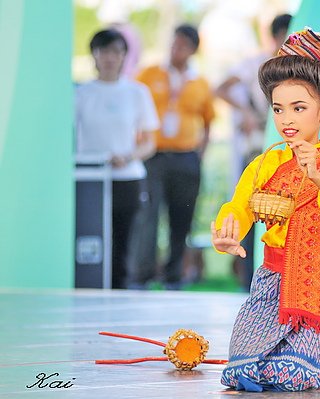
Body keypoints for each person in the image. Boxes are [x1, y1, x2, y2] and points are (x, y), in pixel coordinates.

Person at [212, 28, 320, 392]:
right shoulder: (266, 164)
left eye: (299, 108)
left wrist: (318, 180)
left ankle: (319, 352)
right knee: (238, 373)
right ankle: (312, 356)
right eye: (279, 108)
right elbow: (239, 205)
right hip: (271, 280)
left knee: (291, 377)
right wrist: (227, 232)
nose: (287, 119)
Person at [133, 24, 216, 290]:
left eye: (182, 45)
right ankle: (142, 274)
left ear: (192, 50)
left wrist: (200, 152)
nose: (175, 48)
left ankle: (174, 275)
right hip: (154, 155)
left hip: (186, 157)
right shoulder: (149, 74)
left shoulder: (199, 82)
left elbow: (208, 120)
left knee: (182, 217)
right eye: (174, 42)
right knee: (148, 214)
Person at [75, 29, 159, 289]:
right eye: (104, 51)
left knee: (123, 240)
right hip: (89, 179)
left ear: (124, 56)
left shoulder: (136, 92)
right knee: (91, 240)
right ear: (94, 55)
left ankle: (122, 288)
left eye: (116, 52)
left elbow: (149, 142)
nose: (110, 58)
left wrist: (127, 156)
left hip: (127, 178)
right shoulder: (80, 93)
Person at [215, 13, 292, 291]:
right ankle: (250, 280)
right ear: (275, 36)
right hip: (258, 148)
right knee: (251, 207)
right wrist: (246, 112)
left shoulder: (297, 69)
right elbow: (221, 88)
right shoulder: (256, 64)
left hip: (288, 151)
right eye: (283, 34)